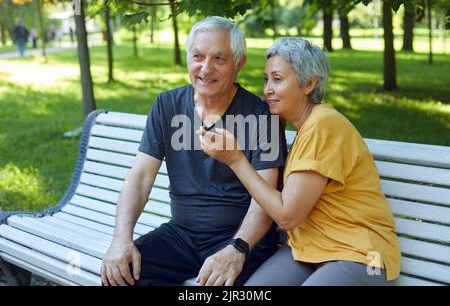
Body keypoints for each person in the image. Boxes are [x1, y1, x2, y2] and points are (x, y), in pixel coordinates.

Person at [198, 37, 401, 286]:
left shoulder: (324, 125)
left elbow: (286, 216)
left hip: (356, 254)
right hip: (307, 250)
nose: (267, 89)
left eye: (278, 79)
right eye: (266, 79)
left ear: (308, 84)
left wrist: (236, 159)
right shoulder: (305, 127)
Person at [101, 16, 286, 286]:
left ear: (239, 62)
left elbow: (265, 200)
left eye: (219, 59)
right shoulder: (167, 104)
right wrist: (121, 239)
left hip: (241, 238)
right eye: (198, 56)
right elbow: (140, 177)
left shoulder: (262, 116)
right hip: (181, 235)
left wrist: (238, 249)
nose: (205, 68)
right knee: (119, 276)